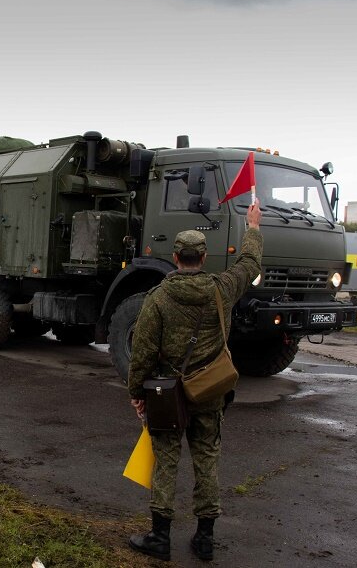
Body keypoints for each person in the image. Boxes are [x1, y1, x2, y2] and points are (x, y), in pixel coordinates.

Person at [127, 200, 263, 562]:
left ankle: (159, 537)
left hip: (168, 395)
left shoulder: (158, 298)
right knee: (207, 460)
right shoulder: (223, 288)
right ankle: (204, 539)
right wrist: (252, 228)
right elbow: (249, 265)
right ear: (203, 257)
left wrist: (137, 393)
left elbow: (141, 352)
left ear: (175, 257)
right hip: (210, 391)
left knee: (165, 460)